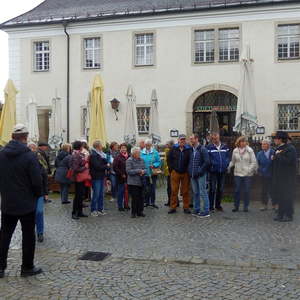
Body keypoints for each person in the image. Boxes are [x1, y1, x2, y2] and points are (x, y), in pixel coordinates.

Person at [0, 124, 43, 278]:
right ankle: (27, 267)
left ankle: (0, 268)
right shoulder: (29, 155)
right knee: (28, 236)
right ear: (25, 138)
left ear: (12, 137)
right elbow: (37, 181)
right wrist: (38, 195)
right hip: (26, 202)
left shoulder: (2, 154)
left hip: (8, 201)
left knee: (4, 235)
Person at [272, 131, 297, 222]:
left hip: (287, 178)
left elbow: (288, 162)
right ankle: (280, 214)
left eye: (276, 138)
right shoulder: (277, 148)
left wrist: (278, 155)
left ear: (281, 139)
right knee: (280, 196)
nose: (274, 140)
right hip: (278, 177)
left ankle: (289, 215)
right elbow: (276, 162)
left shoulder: (290, 148)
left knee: (287, 196)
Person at [228, 136, 257, 212]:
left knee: (247, 190)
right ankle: (236, 206)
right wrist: (228, 167)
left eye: (244, 141)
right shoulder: (235, 151)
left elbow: (254, 162)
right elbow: (233, 161)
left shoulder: (250, 150)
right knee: (237, 190)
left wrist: (249, 170)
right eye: (242, 141)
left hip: (247, 174)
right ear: (239, 142)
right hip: (237, 173)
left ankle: (246, 206)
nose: (243, 143)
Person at [28, 143, 48, 243]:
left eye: (33, 148)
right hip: (27, 192)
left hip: (39, 191)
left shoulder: (39, 160)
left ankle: (40, 232)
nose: (32, 150)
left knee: (39, 212)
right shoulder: (24, 160)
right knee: (29, 213)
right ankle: (30, 231)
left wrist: (46, 192)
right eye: (30, 148)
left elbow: (44, 177)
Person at [167, 134, 192, 214]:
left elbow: (190, 160)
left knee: (185, 191)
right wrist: (172, 170)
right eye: (181, 139)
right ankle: (173, 207)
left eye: (184, 139)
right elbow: (169, 159)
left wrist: (188, 170)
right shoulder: (173, 148)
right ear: (178, 140)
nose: (183, 141)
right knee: (174, 190)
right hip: (175, 172)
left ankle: (186, 207)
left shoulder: (189, 149)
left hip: (185, 173)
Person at [188, 134, 211, 217]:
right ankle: (196, 209)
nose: (191, 141)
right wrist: (189, 171)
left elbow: (207, 162)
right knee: (196, 192)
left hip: (201, 174)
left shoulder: (202, 149)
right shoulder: (191, 149)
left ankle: (206, 210)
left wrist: (200, 170)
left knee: (203, 192)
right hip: (193, 174)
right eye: (190, 139)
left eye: (192, 139)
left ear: (197, 139)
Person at [207, 133, 230, 212]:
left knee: (220, 189)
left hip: (222, 170)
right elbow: (208, 159)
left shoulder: (225, 146)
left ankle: (218, 205)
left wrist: (226, 164)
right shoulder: (209, 147)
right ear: (212, 139)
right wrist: (212, 165)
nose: (215, 140)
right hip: (213, 171)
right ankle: (210, 206)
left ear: (219, 137)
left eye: (216, 138)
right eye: (213, 139)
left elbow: (228, 157)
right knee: (212, 188)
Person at [69, 141, 89, 220]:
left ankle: (80, 212)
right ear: (80, 147)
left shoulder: (79, 154)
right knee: (78, 196)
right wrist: (85, 167)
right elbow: (76, 168)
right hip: (78, 178)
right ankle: (75, 213)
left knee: (80, 195)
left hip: (80, 177)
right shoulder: (75, 155)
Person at [90, 140, 108, 217]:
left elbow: (103, 163)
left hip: (101, 176)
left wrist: (105, 160)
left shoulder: (101, 154)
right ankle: (93, 210)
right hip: (96, 177)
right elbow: (97, 166)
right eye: (101, 146)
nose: (102, 147)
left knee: (101, 194)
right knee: (96, 194)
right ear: (97, 147)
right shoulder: (93, 155)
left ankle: (100, 209)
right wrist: (106, 166)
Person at [126, 147, 146, 218]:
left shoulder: (142, 160)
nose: (139, 154)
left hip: (141, 181)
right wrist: (139, 171)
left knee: (141, 197)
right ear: (133, 154)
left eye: (139, 153)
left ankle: (140, 211)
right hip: (133, 182)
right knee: (135, 198)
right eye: (138, 153)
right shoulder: (129, 160)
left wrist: (143, 171)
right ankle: (133, 212)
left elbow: (145, 169)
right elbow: (128, 171)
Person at [141, 139, 161, 209]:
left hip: (152, 174)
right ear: (145, 145)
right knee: (145, 189)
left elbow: (159, 161)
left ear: (151, 145)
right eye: (146, 145)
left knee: (152, 189)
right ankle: (146, 202)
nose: (148, 146)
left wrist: (154, 165)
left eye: (149, 145)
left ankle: (152, 202)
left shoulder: (155, 152)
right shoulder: (141, 152)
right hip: (144, 174)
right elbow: (139, 162)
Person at [256, 139, 275, 211]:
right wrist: (261, 170)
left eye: (264, 144)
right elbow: (257, 164)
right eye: (262, 144)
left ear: (268, 145)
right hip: (263, 175)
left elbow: (276, 163)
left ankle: (274, 204)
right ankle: (264, 205)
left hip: (272, 174)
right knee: (264, 190)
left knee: (273, 190)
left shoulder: (273, 152)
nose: (262, 145)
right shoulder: (259, 154)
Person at [113, 143, 129, 211]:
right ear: (120, 149)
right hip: (120, 177)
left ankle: (126, 204)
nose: (123, 149)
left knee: (127, 192)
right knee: (121, 192)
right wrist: (121, 173)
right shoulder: (117, 157)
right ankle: (120, 206)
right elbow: (115, 167)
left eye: (124, 148)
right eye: (122, 148)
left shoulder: (129, 156)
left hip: (129, 177)